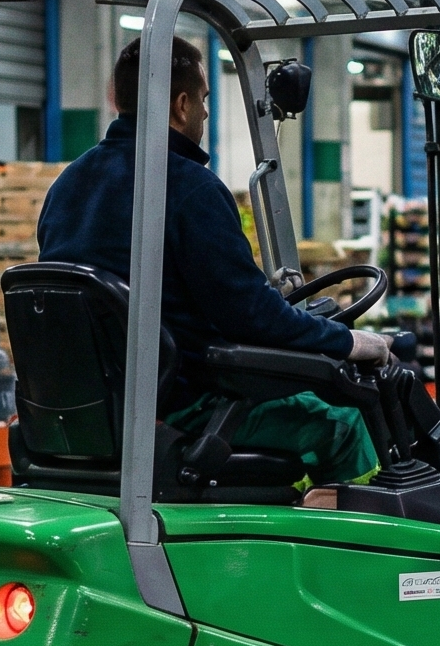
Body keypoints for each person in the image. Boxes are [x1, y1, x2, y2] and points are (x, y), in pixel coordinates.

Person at [34, 36, 390, 484]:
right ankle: (358, 546)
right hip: (186, 407)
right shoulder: (189, 188)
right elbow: (249, 317)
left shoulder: (67, 186)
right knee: (344, 419)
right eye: (202, 100)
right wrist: (350, 342)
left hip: (93, 409)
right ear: (181, 104)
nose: (204, 112)